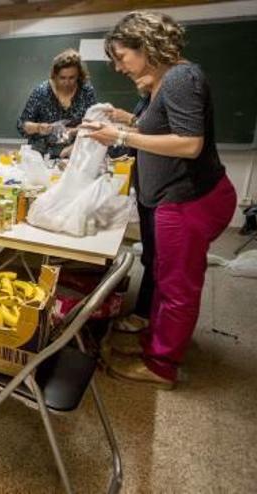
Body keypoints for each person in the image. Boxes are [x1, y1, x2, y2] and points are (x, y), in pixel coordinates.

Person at [83, 11, 237, 389]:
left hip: (187, 200)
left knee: (176, 286)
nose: (119, 67)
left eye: (122, 57)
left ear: (146, 46)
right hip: (170, 199)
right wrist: (124, 120)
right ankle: (154, 340)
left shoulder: (182, 78)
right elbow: (158, 126)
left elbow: (188, 143)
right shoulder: (162, 80)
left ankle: (161, 366)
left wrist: (120, 137)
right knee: (165, 276)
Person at [105, 96, 153, 333]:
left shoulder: (174, 88)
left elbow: (183, 141)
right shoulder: (147, 98)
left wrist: (123, 127)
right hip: (148, 187)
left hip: (162, 193)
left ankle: (146, 315)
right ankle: (146, 313)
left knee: (158, 261)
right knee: (152, 257)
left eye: (122, 59)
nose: (119, 68)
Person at [17, 49, 97, 158]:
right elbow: (21, 125)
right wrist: (38, 127)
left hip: (74, 153)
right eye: (62, 78)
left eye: (72, 78)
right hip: (42, 155)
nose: (67, 83)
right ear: (55, 75)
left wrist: (74, 131)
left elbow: (94, 124)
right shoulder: (42, 92)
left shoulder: (86, 91)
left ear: (79, 75)